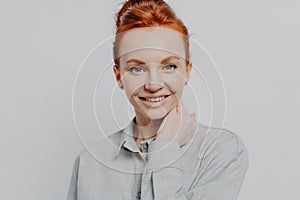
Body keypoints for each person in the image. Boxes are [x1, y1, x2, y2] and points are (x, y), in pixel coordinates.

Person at [66, 0, 249, 199]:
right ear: (119, 76)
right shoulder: (88, 163)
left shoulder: (220, 151)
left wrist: (164, 148)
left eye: (169, 66)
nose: (153, 84)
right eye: (137, 68)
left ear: (186, 71)